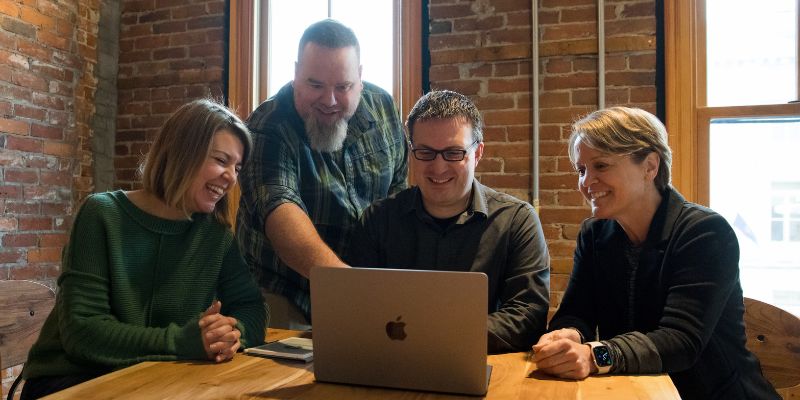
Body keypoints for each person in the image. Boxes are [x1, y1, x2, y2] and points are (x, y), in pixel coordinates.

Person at [20, 99, 268, 399]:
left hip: (156, 378)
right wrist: (183, 342)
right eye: (220, 160)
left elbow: (252, 309)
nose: (231, 177)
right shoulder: (101, 214)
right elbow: (84, 334)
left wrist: (225, 336)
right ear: (180, 154)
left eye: (237, 167)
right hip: (70, 381)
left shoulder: (216, 237)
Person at [532, 107, 779, 399]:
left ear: (650, 166)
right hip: (637, 391)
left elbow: (681, 341)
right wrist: (568, 334)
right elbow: (576, 312)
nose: (586, 182)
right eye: (581, 170)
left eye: (601, 166)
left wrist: (594, 355)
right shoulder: (595, 234)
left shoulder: (705, 232)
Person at [347, 90, 550, 353]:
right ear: (411, 153)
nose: (438, 167)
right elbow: (356, 308)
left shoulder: (517, 221)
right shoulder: (378, 220)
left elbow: (528, 318)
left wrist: (428, 332)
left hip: (485, 370)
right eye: (426, 152)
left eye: (454, 153)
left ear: (478, 154)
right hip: (391, 365)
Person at [236, 19, 407, 328]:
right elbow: (280, 213)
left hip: (365, 290)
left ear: (360, 79)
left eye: (343, 87)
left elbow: (397, 197)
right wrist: (353, 289)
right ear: (295, 75)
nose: (329, 101)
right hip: (283, 292)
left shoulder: (383, 108)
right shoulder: (268, 125)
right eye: (315, 85)